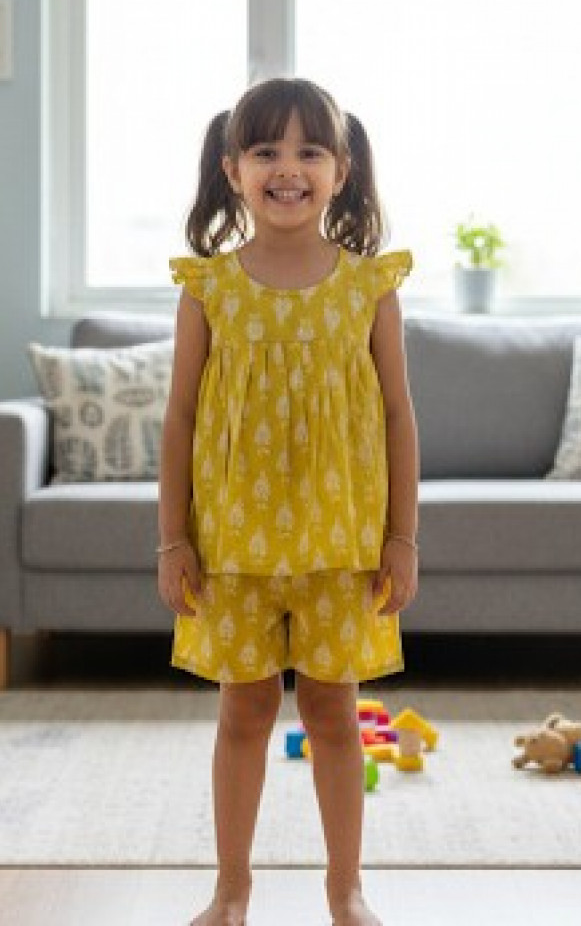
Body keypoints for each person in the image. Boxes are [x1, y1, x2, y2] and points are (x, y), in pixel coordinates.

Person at [158, 77, 419, 926]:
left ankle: (345, 888)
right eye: (266, 150)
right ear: (233, 168)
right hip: (234, 547)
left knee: (336, 716)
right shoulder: (209, 287)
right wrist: (174, 541)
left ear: (341, 170)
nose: (288, 167)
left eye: (311, 150)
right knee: (244, 712)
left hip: (342, 545)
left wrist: (402, 537)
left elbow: (396, 412)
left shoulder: (369, 285)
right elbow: (183, 414)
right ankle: (231, 889)